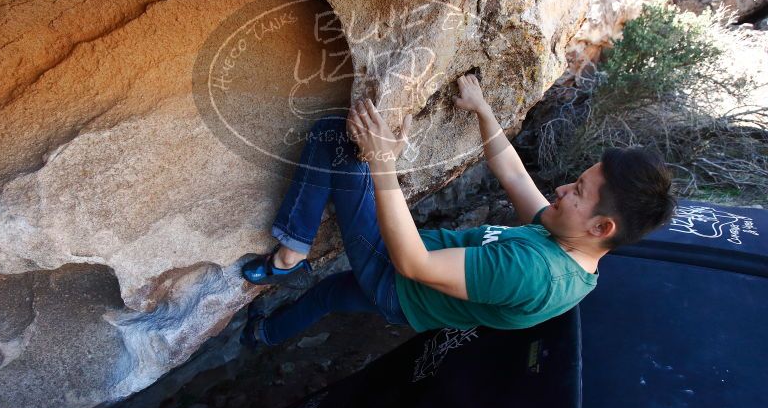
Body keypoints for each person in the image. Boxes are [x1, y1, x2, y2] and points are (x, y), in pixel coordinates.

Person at [239, 73, 676, 349]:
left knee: (335, 138)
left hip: (396, 276)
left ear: (602, 227)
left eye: (578, 189)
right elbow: (517, 179)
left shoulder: (533, 273)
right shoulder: (571, 243)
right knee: (331, 293)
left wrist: (382, 160)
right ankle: (264, 335)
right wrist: (483, 110)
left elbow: (413, 263)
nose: (562, 189)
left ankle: (289, 254)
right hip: (411, 302)